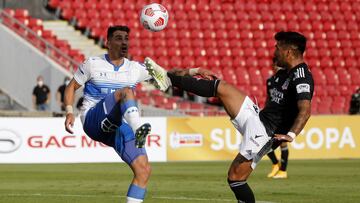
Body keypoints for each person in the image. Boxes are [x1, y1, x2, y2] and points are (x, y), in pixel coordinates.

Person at [143, 31, 314, 203]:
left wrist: (291, 135)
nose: (274, 51)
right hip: (257, 118)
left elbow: (305, 110)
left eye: (277, 47)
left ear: (289, 52)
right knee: (221, 87)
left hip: (266, 133)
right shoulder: (284, 73)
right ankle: (167, 79)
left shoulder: (301, 76)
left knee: (235, 178)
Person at [64, 25, 153, 203]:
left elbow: (167, 76)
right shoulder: (92, 63)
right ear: (107, 42)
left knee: (143, 170)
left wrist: (192, 72)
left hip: (117, 126)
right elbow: (72, 86)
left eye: (126, 38)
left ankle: (136, 130)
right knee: (126, 91)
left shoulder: (136, 68)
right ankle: (138, 130)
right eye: (119, 38)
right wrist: (69, 112)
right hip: (92, 120)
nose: (124, 42)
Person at [266, 59, 289, 179]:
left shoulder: (288, 81)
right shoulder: (270, 81)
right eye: (275, 65)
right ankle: (275, 164)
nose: (277, 67)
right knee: (265, 142)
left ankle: (283, 171)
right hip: (271, 115)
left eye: (279, 65)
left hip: (282, 116)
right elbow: (269, 98)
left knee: (282, 143)